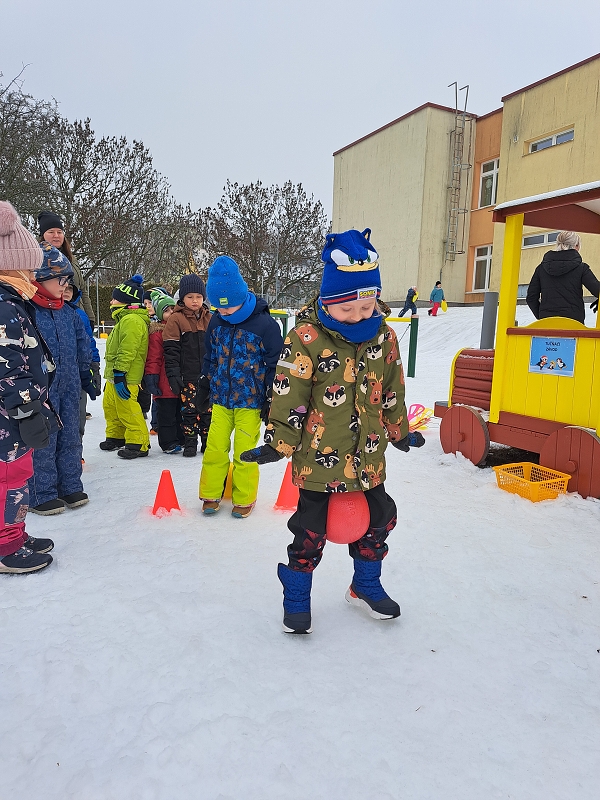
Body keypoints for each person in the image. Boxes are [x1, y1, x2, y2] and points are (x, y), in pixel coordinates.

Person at [241, 228, 424, 633]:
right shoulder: (306, 340)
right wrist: (279, 444)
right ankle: (296, 597)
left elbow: (392, 388)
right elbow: (289, 395)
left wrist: (400, 432)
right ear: (326, 300)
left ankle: (365, 585)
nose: (358, 317)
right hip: (319, 463)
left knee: (380, 520)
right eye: (347, 310)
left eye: (366, 307)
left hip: (368, 458)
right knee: (310, 534)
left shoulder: (385, 337)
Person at [198, 256, 283, 518]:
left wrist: (271, 398)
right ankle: (211, 492)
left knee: (245, 451)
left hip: (251, 400)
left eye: (228, 309)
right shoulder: (216, 321)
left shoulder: (265, 325)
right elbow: (210, 355)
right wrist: (205, 381)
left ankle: (244, 497)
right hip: (221, 398)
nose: (223, 314)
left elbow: (275, 364)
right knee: (215, 446)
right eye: (218, 309)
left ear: (241, 297)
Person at [0, 202, 57, 572]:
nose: (31, 274)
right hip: (8, 418)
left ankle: (15, 534)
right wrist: (26, 407)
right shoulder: (3, 308)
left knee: (20, 474)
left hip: (16, 414)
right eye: (25, 266)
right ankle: (5, 546)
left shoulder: (12, 303)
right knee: (10, 478)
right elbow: (5, 367)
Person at [28, 243, 93, 515]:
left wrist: (87, 372)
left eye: (68, 280)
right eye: (60, 280)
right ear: (40, 280)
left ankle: (69, 485)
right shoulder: (28, 311)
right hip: (41, 388)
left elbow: (83, 344)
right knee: (46, 437)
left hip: (69, 384)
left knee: (70, 436)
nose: (65, 286)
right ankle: (41, 492)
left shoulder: (69, 313)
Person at [100, 274, 151, 460]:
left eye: (115, 298)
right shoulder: (124, 319)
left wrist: (120, 373)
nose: (111, 301)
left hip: (127, 376)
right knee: (111, 407)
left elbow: (127, 350)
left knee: (128, 408)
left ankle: (139, 442)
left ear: (125, 301)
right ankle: (116, 436)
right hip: (114, 375)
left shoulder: (132, 321)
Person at [162, 274, 212, 457]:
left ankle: (207, 442)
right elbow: (171, 351)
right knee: (189, 411)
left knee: (208, 411)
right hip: (188, 375)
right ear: (182, 298)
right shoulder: (176, 319)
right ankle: (190, 441)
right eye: (190, 297)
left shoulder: (210, 318)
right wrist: (174, 374)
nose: (195, 301)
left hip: (207, 376)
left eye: (198, 297)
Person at [526, 231, 600, 325]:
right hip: (574, 323)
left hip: (547, 323)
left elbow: (531, 298)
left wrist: (542, 316)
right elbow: (597, 290)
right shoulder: (581, 268)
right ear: (576, 246)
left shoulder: (541, 268)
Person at [38, 210, 95, 325]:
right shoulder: (37, 258)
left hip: (76, 314)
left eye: (59, 232)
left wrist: (90, 317)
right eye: (51, 232)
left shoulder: (72, 259)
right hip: (50, 315)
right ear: (43, 235)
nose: (56, 235)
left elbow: (82, 289)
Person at [144, 290, 183, 454]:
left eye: (173, 310)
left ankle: (180, 438)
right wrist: (151, 377)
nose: (171, 313)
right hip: (163, 383)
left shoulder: (180, 330)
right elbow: (154, 357)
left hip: (178, 381)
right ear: (160, 314)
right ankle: (167, 442)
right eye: (166, 311)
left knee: (179, 413)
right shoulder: (157, 333)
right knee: (166, 415)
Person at [63, 278, 101, 443]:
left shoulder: (79, 315)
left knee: (78, 412)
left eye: (69, 289)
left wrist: (94, 364)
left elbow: (88, 341)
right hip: (55, 373)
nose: (65, 292)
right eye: (62, 287)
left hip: (78, 372)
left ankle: (76, 448)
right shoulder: (42, 312)